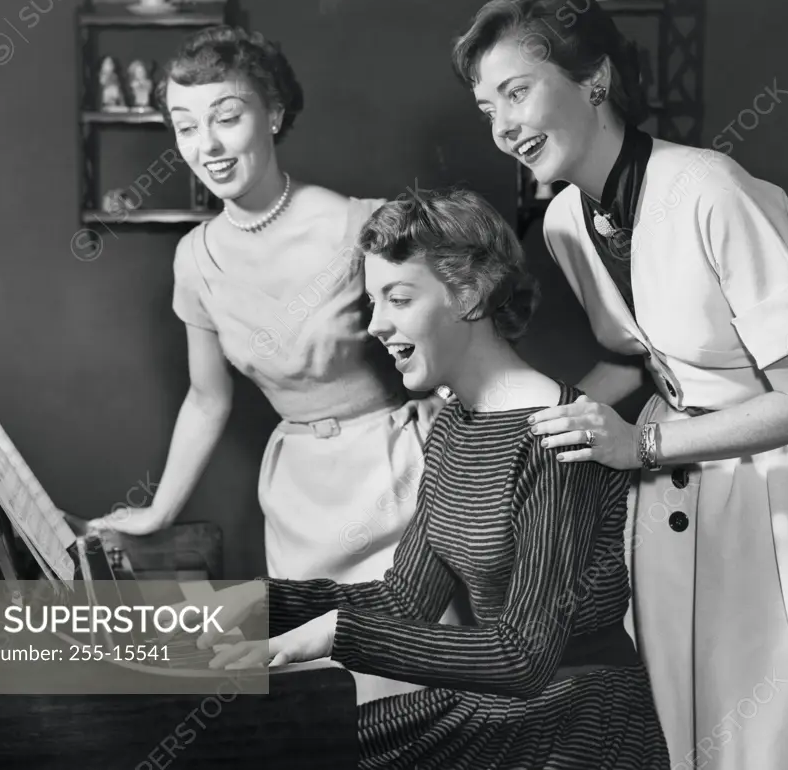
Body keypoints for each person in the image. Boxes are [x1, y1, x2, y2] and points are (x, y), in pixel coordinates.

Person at [451, 0, 788, 770]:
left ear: (593, 77)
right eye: (488, 108)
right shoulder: (563, 222)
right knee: (700, 732)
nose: (504, 128)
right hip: (672, 502)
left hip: (784, 495)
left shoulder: (710, 189)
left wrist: (641, 445)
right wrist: (518, 422)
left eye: (517, 93)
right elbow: (639, 352)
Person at [189, 188, 669, 770]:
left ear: (470, 294)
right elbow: (404, 599)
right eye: (371, 301)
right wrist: (252, 603)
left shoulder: (558, 437)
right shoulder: (454, 428)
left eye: (399, 298)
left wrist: (335, 636)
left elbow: (523, 656)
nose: (375, 325)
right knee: (282, 746)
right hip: (507, 709)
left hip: (577, 727)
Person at [89, 26, 447, 701]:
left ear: (274, 114)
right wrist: (158, 513)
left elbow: (451, 354)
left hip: (396, 480)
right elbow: (206, 398)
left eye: (227, 117)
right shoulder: (195, 258)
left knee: (405, 697)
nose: (208, 146)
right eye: (186, 125)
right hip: (296, 497)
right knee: (319, 706)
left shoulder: (362, 227)